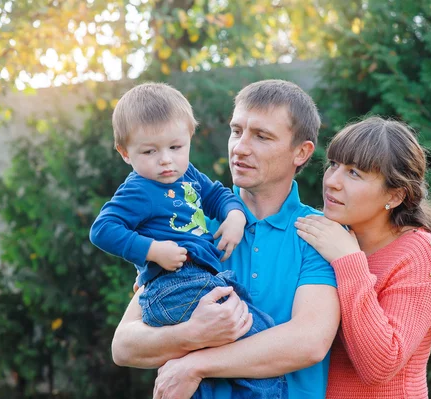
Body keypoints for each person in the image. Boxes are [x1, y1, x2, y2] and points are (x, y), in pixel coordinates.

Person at [110, 79, 340, 399]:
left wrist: (195, 364)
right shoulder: (189, 222)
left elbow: (309, 342)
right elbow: (124, 345)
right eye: (236, 130)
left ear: (301, 152)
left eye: (261, 136)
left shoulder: (319, 233)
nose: (240, 147)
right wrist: (192, 334)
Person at [89, 82, 287, 398]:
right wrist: (152, 250)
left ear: (189, 139)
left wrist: (234, 216)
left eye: (175, 147)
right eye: (149, 151)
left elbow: (216, 195)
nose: (166, 160)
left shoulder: (188, 175)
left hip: (197, 281)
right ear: (125, 153)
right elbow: (103, 229)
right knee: (255, 337)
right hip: (173, 285)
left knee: (254, 327)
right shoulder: (138, 190)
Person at [295, 116, 431, 398]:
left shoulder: (420, 254)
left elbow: (380, 366)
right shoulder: (325, 235)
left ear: (394, 196)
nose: (332, 181)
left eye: (354, 173)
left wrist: (348, 260)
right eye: (333, 165)